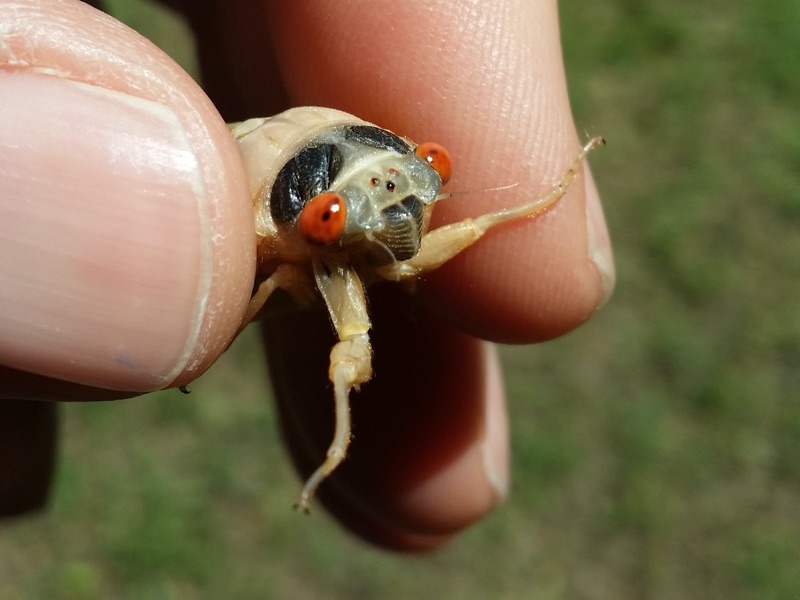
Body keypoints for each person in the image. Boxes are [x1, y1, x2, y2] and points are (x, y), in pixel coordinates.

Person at [0, 0, 613, 551]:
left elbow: (470, 225)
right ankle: (336, 447)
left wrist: (554, 186)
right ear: (318, 219)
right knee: (312, 311)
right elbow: (268, 273)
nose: (403, 211)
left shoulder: (372, 180)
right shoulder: (289, 239)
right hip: (257, 221)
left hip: (304, 188)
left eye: (430, 166)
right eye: (331, 218)